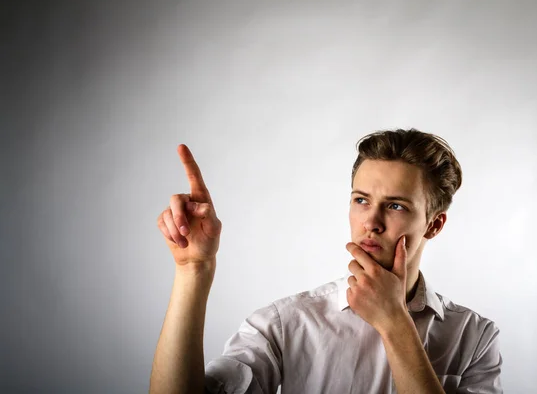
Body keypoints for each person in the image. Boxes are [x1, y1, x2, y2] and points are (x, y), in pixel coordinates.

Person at [149, 128, 503, 394]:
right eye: (361, 200)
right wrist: (192, 270)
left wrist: (395, 322)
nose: (371, 222)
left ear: (434, 224)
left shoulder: (474, 337)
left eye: (396, 206)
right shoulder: (287, 324)